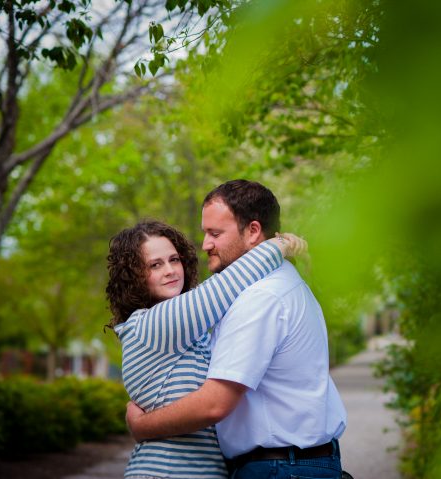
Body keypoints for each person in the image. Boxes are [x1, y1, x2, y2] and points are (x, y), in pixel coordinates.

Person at [126, 180, 348, 479]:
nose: (205, 244)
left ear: (254, 231)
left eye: (215, 233)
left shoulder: (261, 297)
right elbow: (215, 291)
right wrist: (279, 247)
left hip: (279, 468)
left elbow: (214, 404)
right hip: (285, 465)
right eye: (154, 265)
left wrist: (142, 426)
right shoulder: (279, 284)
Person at [106, 220, 305, 479]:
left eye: (174, 260)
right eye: (155, 265)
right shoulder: (150, 324)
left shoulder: (189, 330)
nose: (170, 270)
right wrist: (279, 244)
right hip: (164, 472)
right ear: (134, 277)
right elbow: (227, 284)